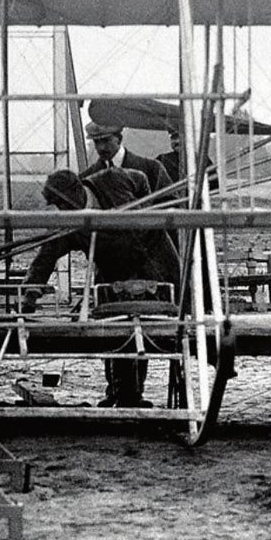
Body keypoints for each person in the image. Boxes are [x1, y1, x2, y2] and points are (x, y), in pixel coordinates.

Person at [23, 167, 178, 406]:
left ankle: (131, 394)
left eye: (64, 205)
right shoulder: (69, 223)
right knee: (114, 328)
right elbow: (47, 254)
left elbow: (141, 177)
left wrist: (143, 207)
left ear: (77, 191)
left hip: (152, 257)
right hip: (111, 271)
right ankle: (120, 394)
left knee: (143, 325)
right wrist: (31, 292)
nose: (62, 211)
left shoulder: (112, 179)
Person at [83, 117, 169, 193]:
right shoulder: (87, 177)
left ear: (119, 139)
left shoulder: (152, 168)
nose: (101, 147)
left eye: (106, 140)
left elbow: (171, 205)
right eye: (96, 142)